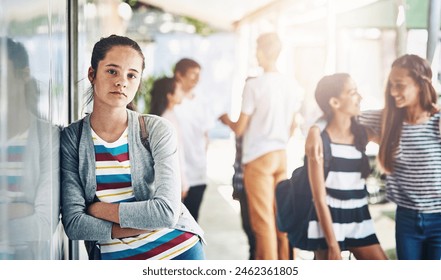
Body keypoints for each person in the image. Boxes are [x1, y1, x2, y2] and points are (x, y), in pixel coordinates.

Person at [60, 35, 205, 260]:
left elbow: (167, 213)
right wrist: (138, 225)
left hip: (178, 251)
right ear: (92, 74)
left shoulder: (157, 129)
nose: (122, 81)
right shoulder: (72, 138)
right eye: (112, 71)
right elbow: (74, 224)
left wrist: (99, 210)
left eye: (131, 75)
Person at [306, 54, 441, 260]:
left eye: (400, 85)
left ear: (420, 85)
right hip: (406, 219)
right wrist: (315, 128)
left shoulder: (438, 121)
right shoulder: (385, 118)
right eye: (391, 85)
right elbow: (337, 113)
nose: (393, 92)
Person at [220, 32, 301, 260]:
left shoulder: (254, 85)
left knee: (263, 222)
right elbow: (292, 125)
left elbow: (239, 128)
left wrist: (226, 119)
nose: (255, 54)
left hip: (258, 158)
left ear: (263, 52)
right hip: (280, 155)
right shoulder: (290, 85)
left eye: (257, 49)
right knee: (280, 217)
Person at [305, 73, 387, 260]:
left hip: (359, 217)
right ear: (334, 102)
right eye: (352, 92)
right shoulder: (321, 142)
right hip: (327, 223)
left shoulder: (363, 134)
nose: (360, 97)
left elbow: (394, 135)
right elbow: (319, 198)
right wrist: (332, 245)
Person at [173, 58, 210, 222]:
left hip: (198, 172)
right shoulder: (172, 102)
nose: (197, 79)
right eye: (192, 74)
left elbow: (206, 135)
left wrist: (201, 158)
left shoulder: (202, 102)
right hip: (176, 174)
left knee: (192, 221)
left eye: (198, 75)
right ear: (179, 75)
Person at [149, 76, 189, 199]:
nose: (183, 93)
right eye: (179, 90)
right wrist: (183, 182)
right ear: (169, 96)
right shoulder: (167, 120)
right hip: (171, 182)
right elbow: (175, 154)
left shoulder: (167, 116)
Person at [232, 135, 256, 260]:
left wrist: (222, 115)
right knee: (249, 229)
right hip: (242, 182)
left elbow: (238, 128)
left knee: (255, 232)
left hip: (251, 184)